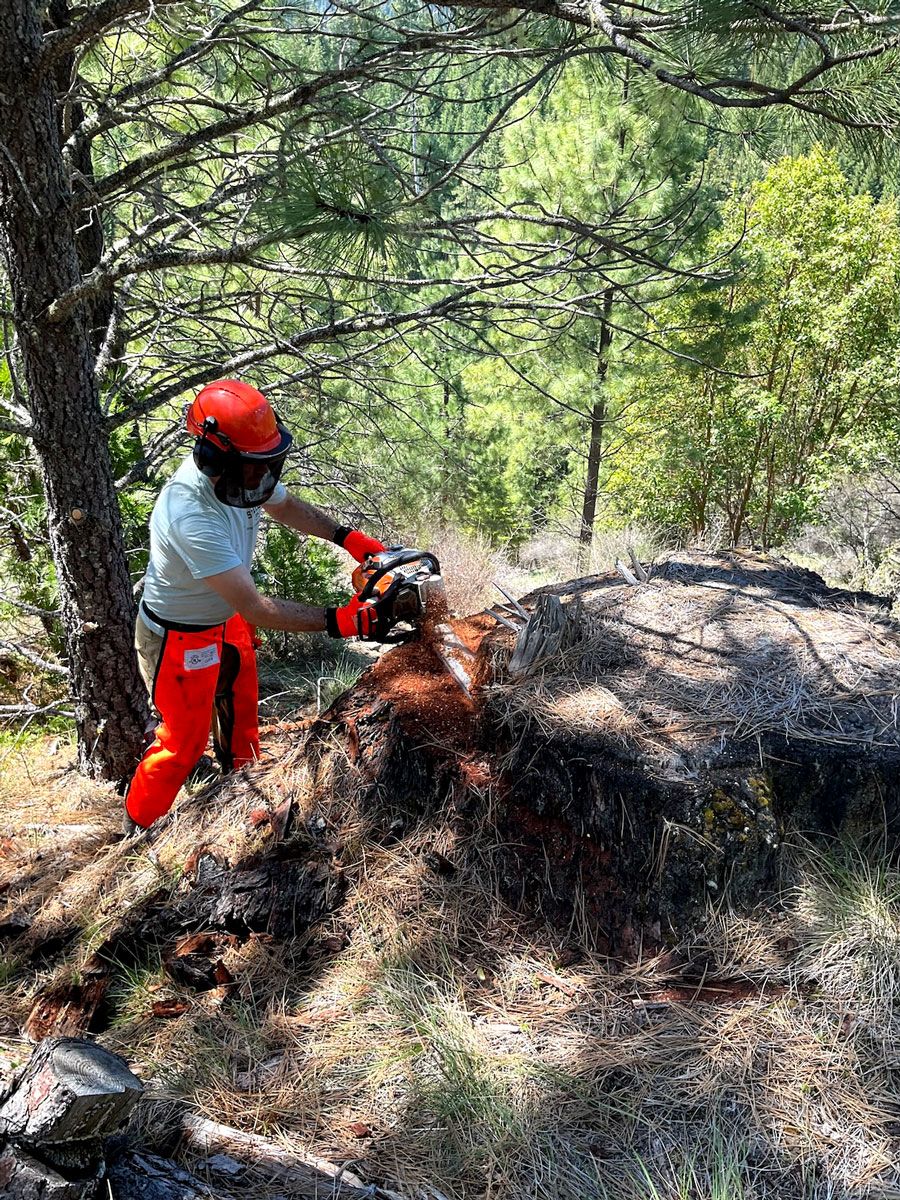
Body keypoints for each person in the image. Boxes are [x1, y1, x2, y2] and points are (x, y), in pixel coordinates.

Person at [122, 379, 391, 835]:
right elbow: (256, 607)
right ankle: (139, 826)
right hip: (179, 634)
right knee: (181, 745)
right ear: (213, 457)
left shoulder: (246, 471)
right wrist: (338, 620)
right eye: (252, 467)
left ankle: (243, 795)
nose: (261, 477)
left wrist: (347, 537)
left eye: (266, 464)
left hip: (227, 619)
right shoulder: (190, 511)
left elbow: (285, 506)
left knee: (243, 715)